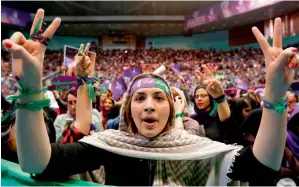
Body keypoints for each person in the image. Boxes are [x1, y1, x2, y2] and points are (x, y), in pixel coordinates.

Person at [3, 9, 298, 186]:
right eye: (139, 98)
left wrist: (275, 96)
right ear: (129, 110)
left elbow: (263, 164)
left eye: (159, 97)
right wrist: (31, 88)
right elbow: (37, 163)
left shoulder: (199, 149)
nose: (148, 104)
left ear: (172, 110)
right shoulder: (111, 146)